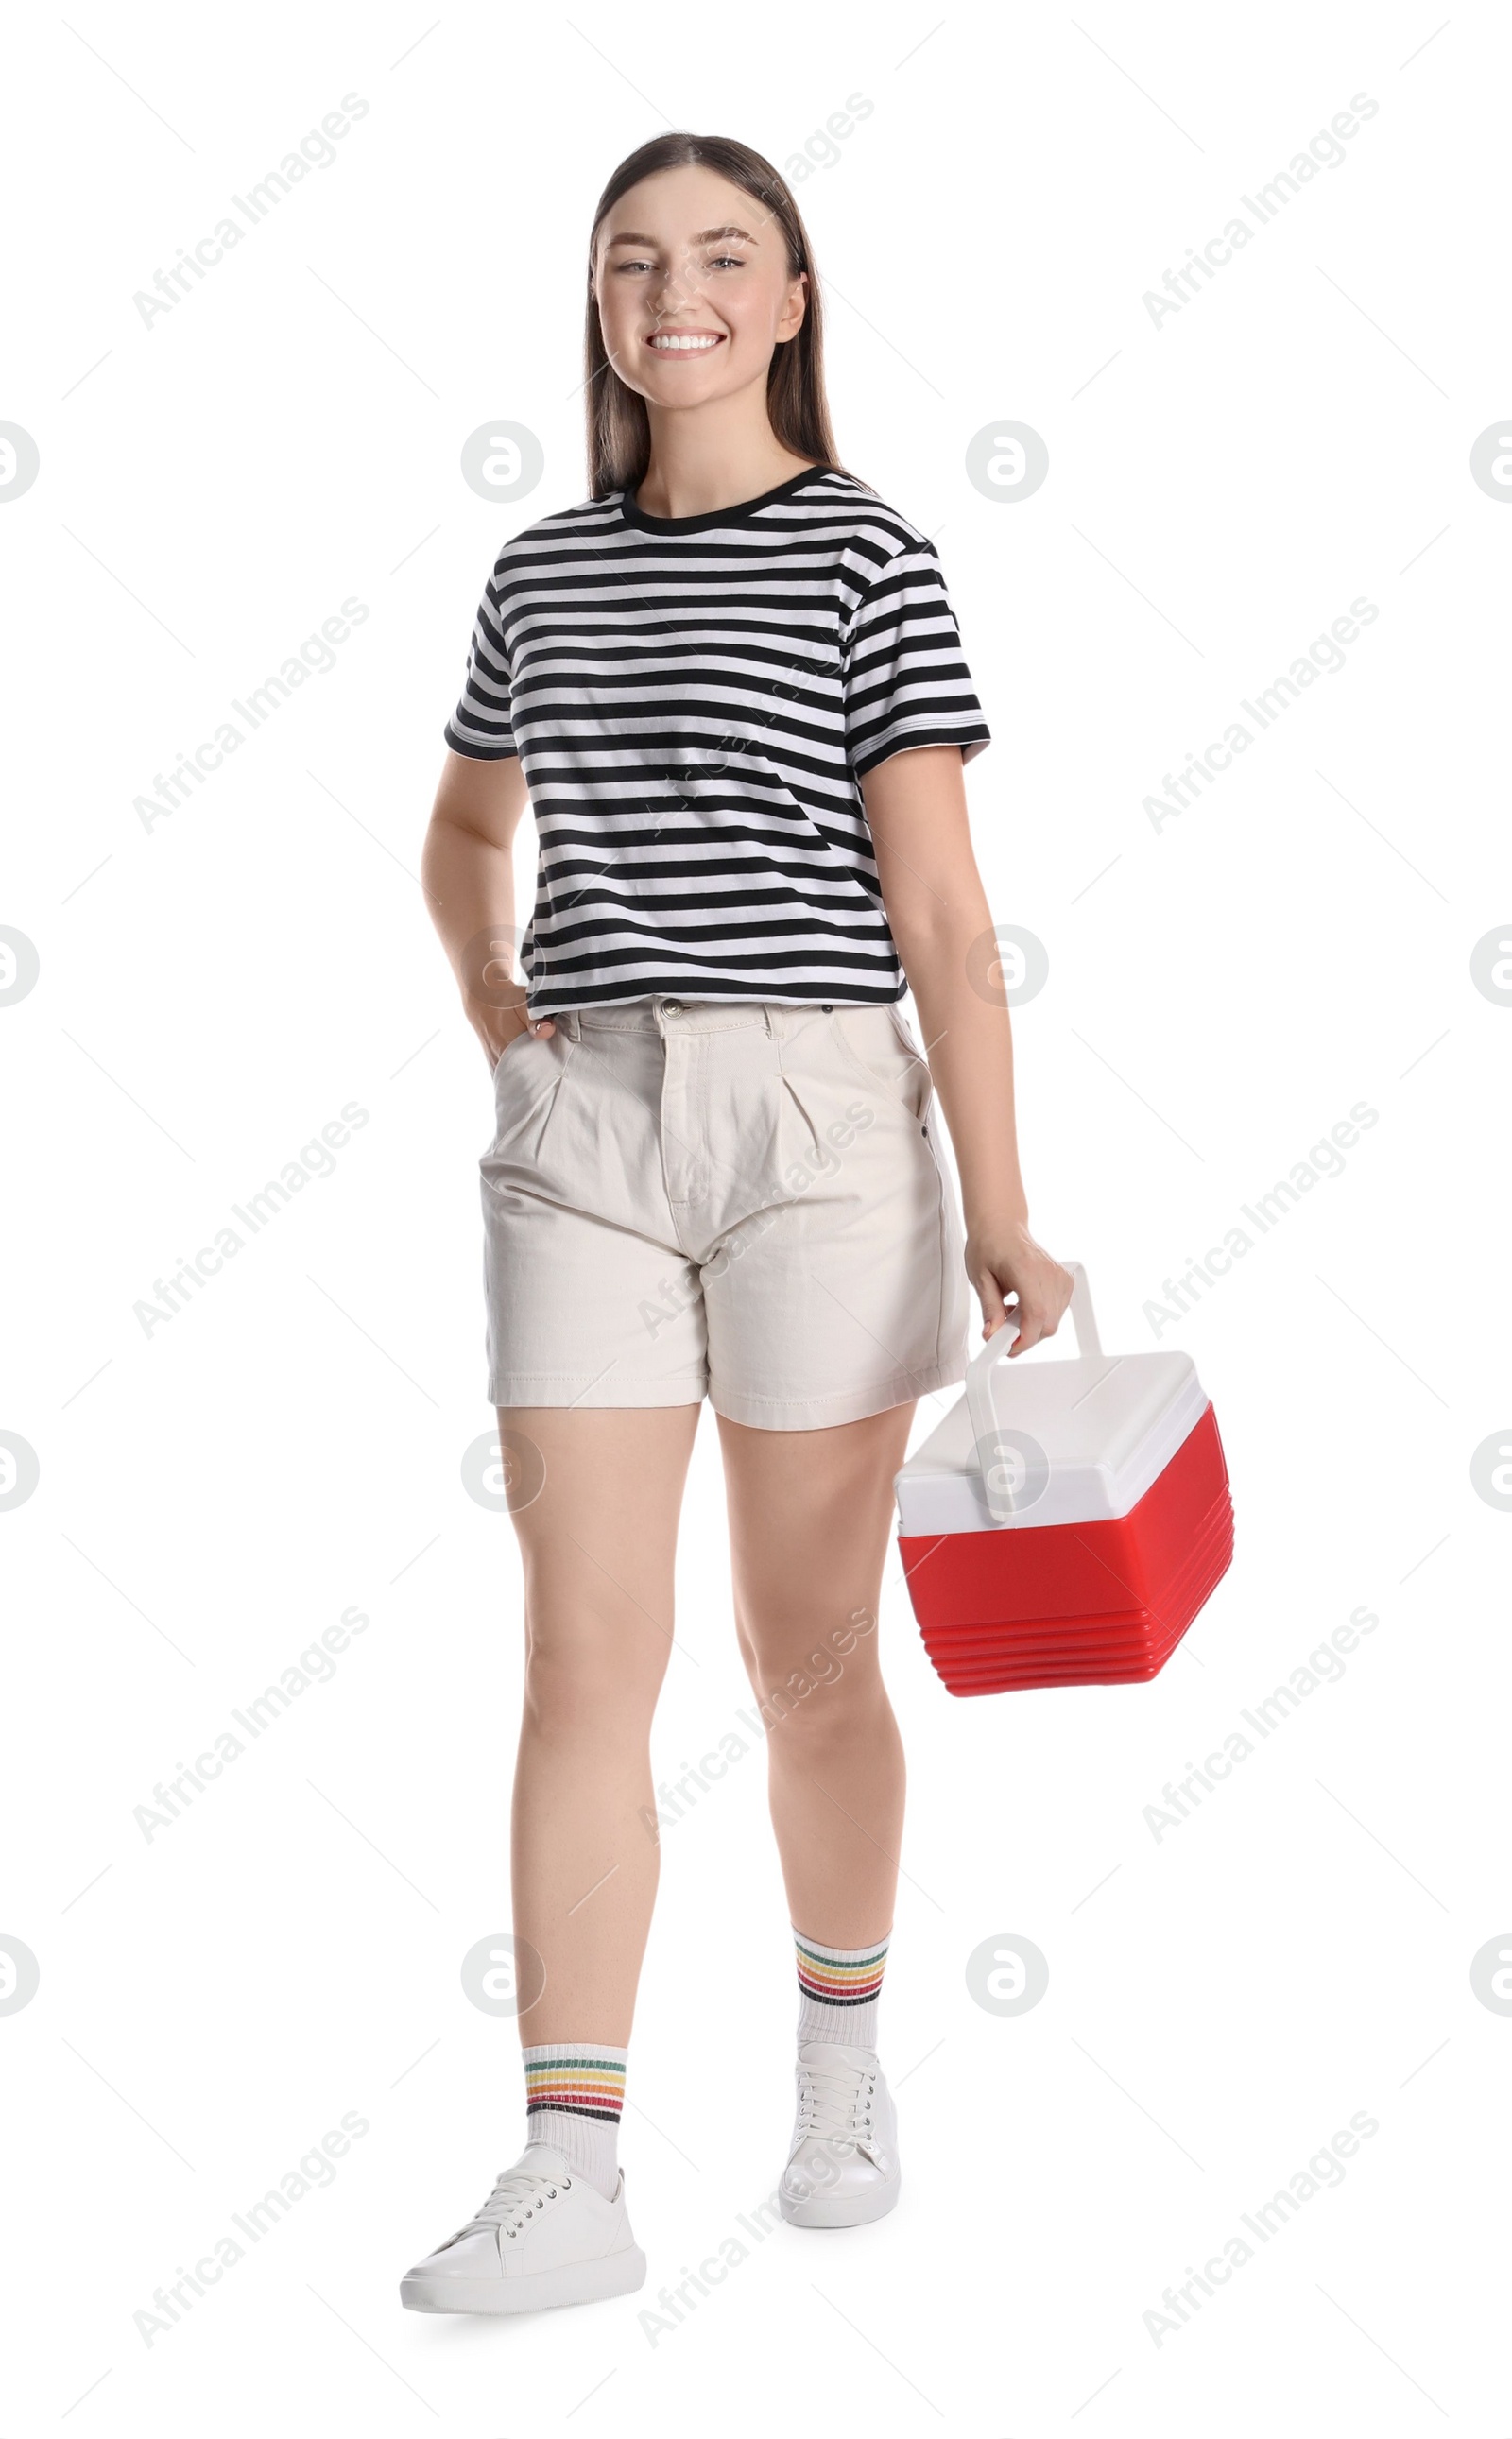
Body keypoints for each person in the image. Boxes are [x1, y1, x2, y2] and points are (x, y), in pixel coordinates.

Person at [401, 129, 1073, 2318]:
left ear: (789, 298)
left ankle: (840, 2059)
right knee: (581, 1652)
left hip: (817, 1131)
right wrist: (509, 1020)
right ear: (596, 305)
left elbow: (943, 911)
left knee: (805, 1662)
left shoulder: (871, 555)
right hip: (586, 1129)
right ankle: (569, 2169)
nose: (668, 291)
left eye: (718, 256)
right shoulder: (539, 570)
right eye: (629, 260)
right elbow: (457, 834)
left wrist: (1004, 1203)